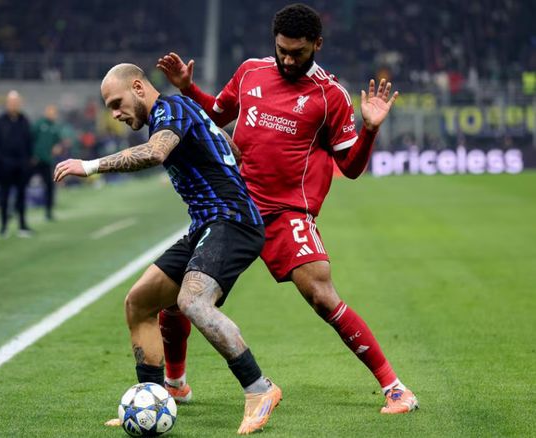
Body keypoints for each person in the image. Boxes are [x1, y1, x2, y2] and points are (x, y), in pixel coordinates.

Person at [156, 3, 418, 414]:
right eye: (282, 51)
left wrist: (369, 129)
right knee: (174, 295)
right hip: (234, 207)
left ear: (317, 44)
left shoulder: (330, 96)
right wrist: (189, 88)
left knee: (322, 296)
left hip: (286, 213)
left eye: (298, 53)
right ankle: (175, 386)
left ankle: (396, 388)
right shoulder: (250, 72)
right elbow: (218, 114)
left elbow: (351, 168)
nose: (289, 60)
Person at [54, 63, 282, 435]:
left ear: (138, 87)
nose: (115, 114)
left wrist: (89, 166)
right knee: (139, 302)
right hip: (207, 222)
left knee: (192, 302)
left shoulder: (170, 108)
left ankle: (260, 389)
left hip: (232, 220)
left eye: (116, 103)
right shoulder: (182, 111)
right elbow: (233, 150)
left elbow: (156, 153)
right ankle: (152, 398)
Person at [0, 90, 33, 237]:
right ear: (7, 104)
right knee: (3, 196)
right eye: (11, 102)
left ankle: (22, 225)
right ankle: (3, 226)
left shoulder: (24, 120)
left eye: (16, 102)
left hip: (21, 164)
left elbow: (29, 142)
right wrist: (0, 161)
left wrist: (27, 161)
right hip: (5, 165)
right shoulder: (0, 121)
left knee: (21, 196)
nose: (14, 105)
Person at [31, 104, 62, 220]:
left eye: (54, 113)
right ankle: (15, 208)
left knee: (49, 186)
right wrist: (31, 155)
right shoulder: (39, 124)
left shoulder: (55, 127)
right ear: (46, 113)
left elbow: (58, 142)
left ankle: (48, 212)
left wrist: (57, 147)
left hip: (47, 160)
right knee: (22, 183)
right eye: (50, 112)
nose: (52, 115)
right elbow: (30, 139)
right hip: (35, 160)